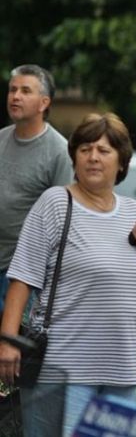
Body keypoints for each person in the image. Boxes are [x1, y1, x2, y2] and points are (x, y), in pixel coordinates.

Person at [0, 112, 136, 437]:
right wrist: (8, 343)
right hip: (63, 369)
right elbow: (22, 278)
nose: (93, 157)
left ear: (122, 162)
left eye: (104, 150)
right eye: (85, 149)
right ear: (74, 157)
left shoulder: (134, 213)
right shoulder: (55, 204)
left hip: (121, 371)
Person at [0, 64, 73, 315]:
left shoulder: (59, 152)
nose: (15, 96)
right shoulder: (1, 139)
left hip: (23, 274)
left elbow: (62, 222)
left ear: (44, 103)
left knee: (14, 338)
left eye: (25, 91)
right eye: (12, 90)